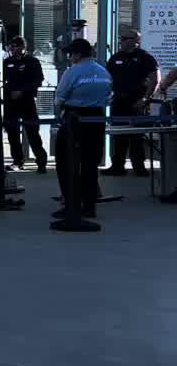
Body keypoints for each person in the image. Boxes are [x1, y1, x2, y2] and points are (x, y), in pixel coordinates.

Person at [53, 39, 113, 222]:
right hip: (96, 118)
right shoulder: (103, 72)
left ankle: (72, 205)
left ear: (78, 54)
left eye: (71, 54)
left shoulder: (72, 72)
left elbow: (59, 99)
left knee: (66, 163)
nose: (70, 57)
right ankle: (89, 206)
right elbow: (109, 97)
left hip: (74, 119)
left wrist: (59, 118)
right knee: (90, 164)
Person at [104, 26, 159, 175]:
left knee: (136, 136)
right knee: (119, 135)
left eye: (125, 38)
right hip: (120, 101)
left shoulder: (145, 57)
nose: (121, 41)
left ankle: (139, 167)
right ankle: (117, 166)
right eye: (121, 38)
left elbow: (155, 79)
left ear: (136, 41)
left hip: (137, 101)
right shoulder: (116, 58)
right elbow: (107, 79)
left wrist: (146, 98)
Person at [2, 35, 47, 172]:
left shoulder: (32, 61)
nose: (13, 49)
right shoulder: (7, 62)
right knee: (12, 134)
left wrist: (23, 90)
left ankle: (41, 161)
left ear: (23, 47)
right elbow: (2, 79)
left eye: (16, 46)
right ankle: (18, 160)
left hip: (27, 101)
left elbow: (38, 80)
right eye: (12, 46)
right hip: (11, 103)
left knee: (33, 132)